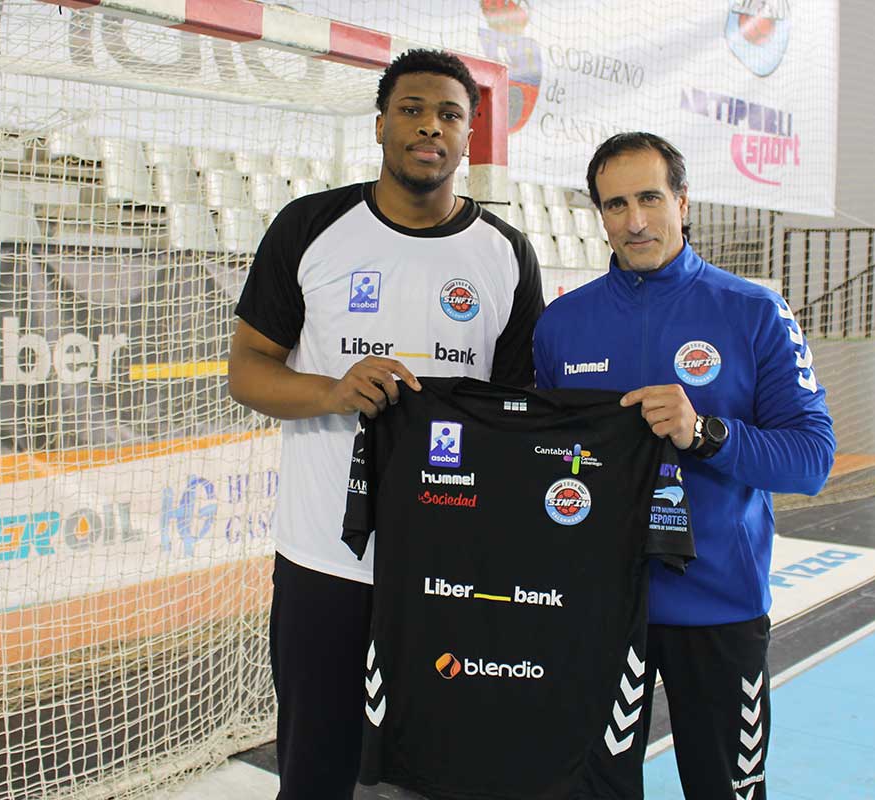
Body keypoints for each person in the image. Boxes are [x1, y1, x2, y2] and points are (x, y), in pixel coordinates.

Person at [227, 48, 543, 799]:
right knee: (316, 768)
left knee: (441, 770)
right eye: (411, 110)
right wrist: (334, 391)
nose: (429, 127)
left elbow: (519, 414)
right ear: (379, 124)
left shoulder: (505, 253)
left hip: (449, 558)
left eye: (449, 115)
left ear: (469, 137)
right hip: (323, 559)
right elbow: (247, 371)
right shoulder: (311, 226)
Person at [532, 132, 835, 799]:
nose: (634, 221)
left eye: (649, 197)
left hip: (718, 608)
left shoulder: (754, 312)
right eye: (615, 205)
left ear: (683, 201)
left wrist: (706, 432)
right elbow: (541, 463)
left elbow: (813, 458)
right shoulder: (561, 326)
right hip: (600, 614)